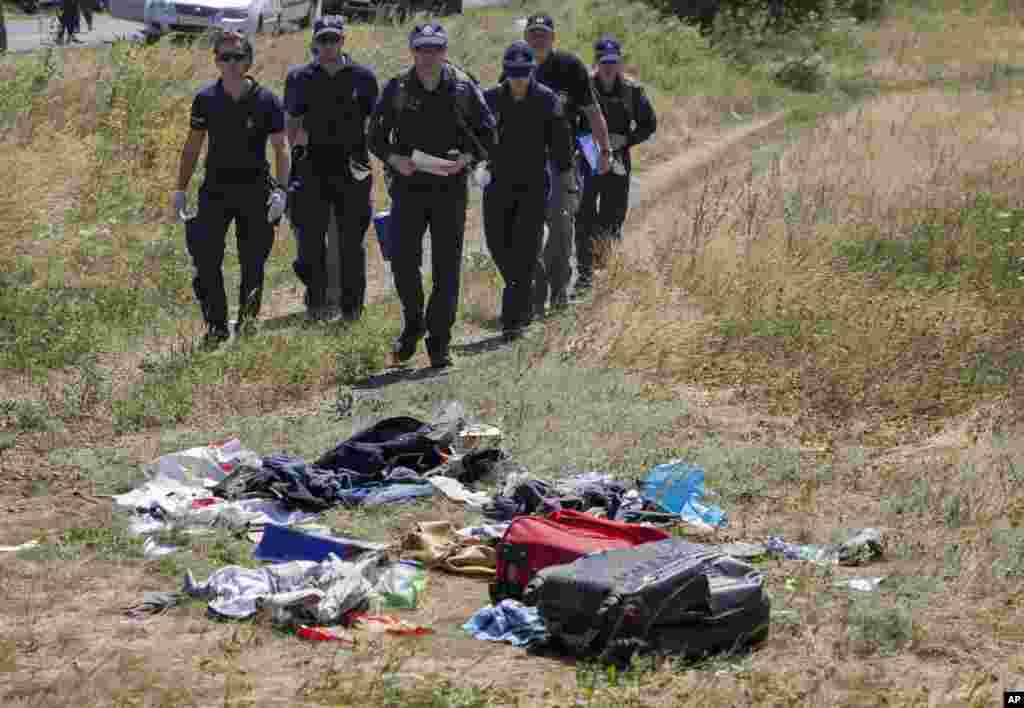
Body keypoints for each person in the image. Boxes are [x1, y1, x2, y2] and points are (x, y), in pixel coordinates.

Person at [369, 22, 496, 370]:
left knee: (446, 267)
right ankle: (412, 327)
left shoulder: (462, 85)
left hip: (449, 189)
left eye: (435, 48)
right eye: (422, 48)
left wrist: (467, 160)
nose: (429, 55)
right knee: (404, 263)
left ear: (444, 50)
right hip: (408, 188)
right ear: (413, 51)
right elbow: (375, 137)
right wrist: (395, 160)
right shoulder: (396, 87)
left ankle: (439, 341)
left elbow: (488, 131)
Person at [173, 30, 290, 349]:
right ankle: (216, 327)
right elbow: (192, 147)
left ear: (249, 60)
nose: (232, 63)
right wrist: (180, 189)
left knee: (252, 260)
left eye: (238, 56)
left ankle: (249, 325)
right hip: (215, 189)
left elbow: (281, 148)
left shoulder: (267, 100)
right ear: (216, 61)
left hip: (255, 189)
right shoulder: (206, 99)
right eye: (225, 57)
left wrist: (281, 190)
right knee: (206, 259)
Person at [515, 12, 613, 316]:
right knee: (528, 232)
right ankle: (534, 298)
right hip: (525, 164)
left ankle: (558, 294)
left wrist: (605, 151)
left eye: (543, 33)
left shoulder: (570, 67)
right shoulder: (516, 65)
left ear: (553, 37)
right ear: (526, 37)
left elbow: (593, 111)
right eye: (533, 33)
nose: (538, 38)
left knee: (560, 230)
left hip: (562, 162)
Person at [284, 16, 379, 323]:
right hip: (312, 167)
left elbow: (372, 123)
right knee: (310, 241)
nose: (328, 46)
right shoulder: (299, 77)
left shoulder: (363, 77)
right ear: (314, 42)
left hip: (351, 168)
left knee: (351, 243)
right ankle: (317, 304)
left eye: (333, 40)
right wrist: (296, 156)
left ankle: (352, 309)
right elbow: (293, 123)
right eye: (322, 40)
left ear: (343, 40)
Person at [482, 41, 573, 342]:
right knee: (498, 245)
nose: (518, 78)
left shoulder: (548, 100)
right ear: (505, 72)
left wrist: (566, 184)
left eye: (523, 72)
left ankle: (513, 320)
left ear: (532, 71)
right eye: (513, 73)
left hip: (534, 186)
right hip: (497, 185)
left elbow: (561, 147)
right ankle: (530, 283)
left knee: (523, 249)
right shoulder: (490, 99)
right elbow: (474, 136)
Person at [576, 36, 657, 291]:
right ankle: (585, 273)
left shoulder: (632, 90)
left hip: (619, 156)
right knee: (585, 214)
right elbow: (569, 121)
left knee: (614, 214)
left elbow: (649, 124)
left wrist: (625, 141)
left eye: (613, 61)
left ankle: (605, 262)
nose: (609, 66)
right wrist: (585, 142)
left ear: (620, 62)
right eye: (604, 61)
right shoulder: (582, 87)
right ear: (596, 62)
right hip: (589, 157)